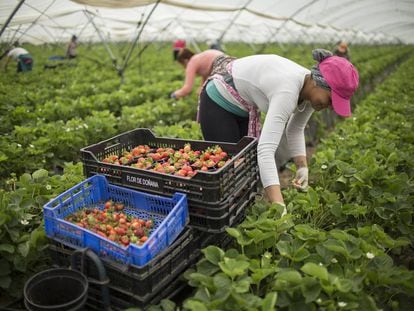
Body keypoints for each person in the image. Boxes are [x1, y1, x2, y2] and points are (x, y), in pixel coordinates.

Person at [198, 49, 359, 211]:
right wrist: (279, 206)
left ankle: (238, 215)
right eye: (331, 100)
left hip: (242, 105)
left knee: (241, 169)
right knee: (226, 171)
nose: (330, 107)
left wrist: (302, 167)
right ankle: (213, 214)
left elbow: (295, 129)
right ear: (318, 81)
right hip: (218, 100)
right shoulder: (288, 90)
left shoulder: (311, 92)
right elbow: (266, 150)